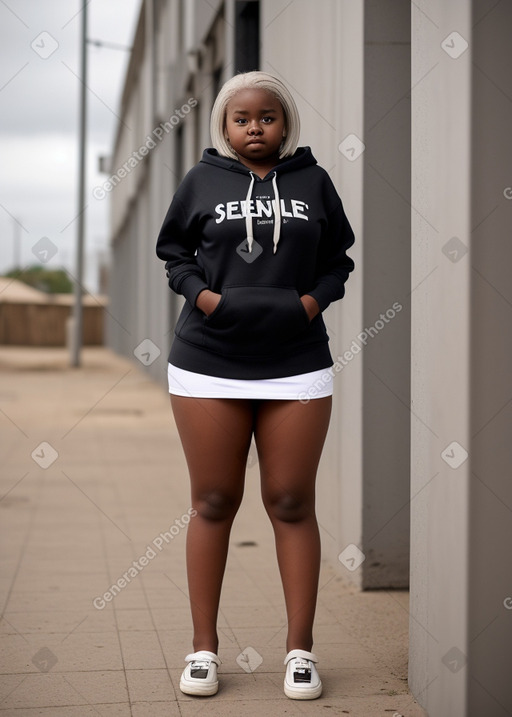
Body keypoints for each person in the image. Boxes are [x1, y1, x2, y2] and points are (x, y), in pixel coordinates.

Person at [156, 71, 355, 700]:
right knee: (214, 500)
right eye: (242, 118)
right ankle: (204, 651)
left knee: (291, 501)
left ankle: (300, 652)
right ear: (224, 124)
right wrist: (207, 300)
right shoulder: (202, 180)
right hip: (207, 360)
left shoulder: (313, 182)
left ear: (285, 121)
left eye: (267, 117)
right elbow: (175, 254)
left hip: (296, 359)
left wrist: (308, 306)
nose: (254, 128)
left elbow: (338, 261)